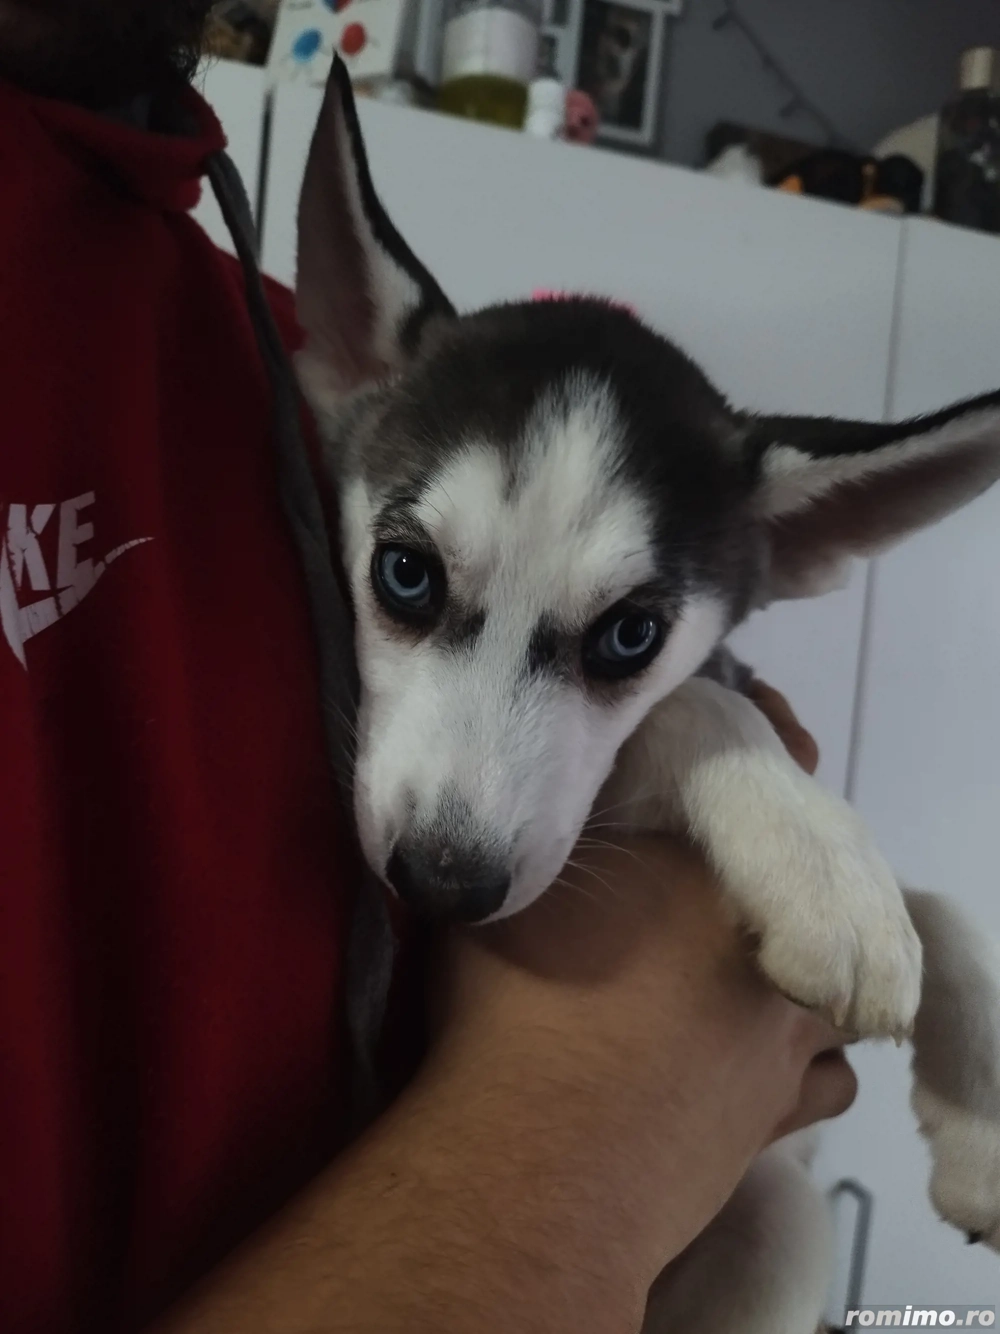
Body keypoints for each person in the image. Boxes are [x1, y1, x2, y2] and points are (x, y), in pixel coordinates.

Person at [0, 4, 856, 1331]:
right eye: (409, 581)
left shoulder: (297, 368)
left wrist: (710, 736)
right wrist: (583, 1127)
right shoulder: (350, 398)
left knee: (792, 1234)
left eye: (621, 638)